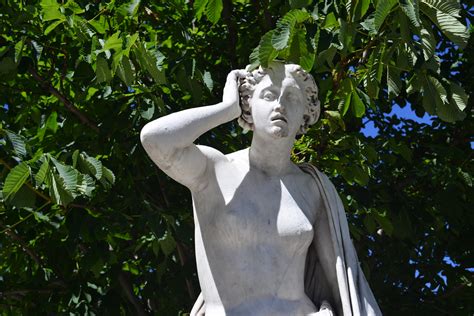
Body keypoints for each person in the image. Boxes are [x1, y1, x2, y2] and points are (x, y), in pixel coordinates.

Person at [140, 63, 381, 316]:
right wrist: (226, 110)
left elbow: (341, 280)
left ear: (307, 114)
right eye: (268, 95)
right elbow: (155, 140)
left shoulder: (312, 189)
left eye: (292, 98)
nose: (280, 104)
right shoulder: (214, 170)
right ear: (248, 106)